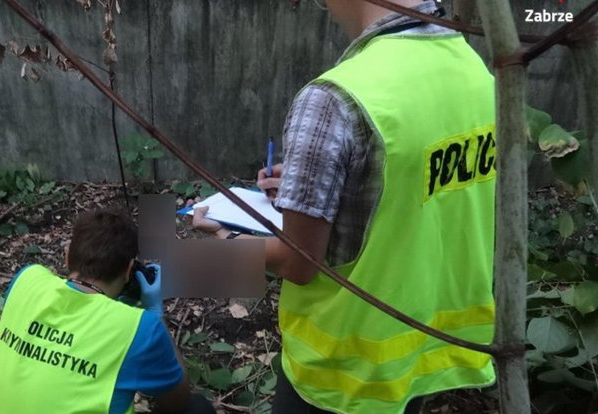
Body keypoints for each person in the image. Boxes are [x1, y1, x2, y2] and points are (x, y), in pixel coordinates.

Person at [193, 1, 497, 413]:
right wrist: (325, 186)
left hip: (342, 374)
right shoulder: (473, 68)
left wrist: (218, 247)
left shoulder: (334, 99)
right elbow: (417, 187)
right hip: (424, 351)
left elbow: (298, 264)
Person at [0, 209, 215, 414]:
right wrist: (154, 313)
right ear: (128, 270)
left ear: (67, 257)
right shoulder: (139, 327)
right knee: (197, 409)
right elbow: (177, 402)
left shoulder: (26, 280)